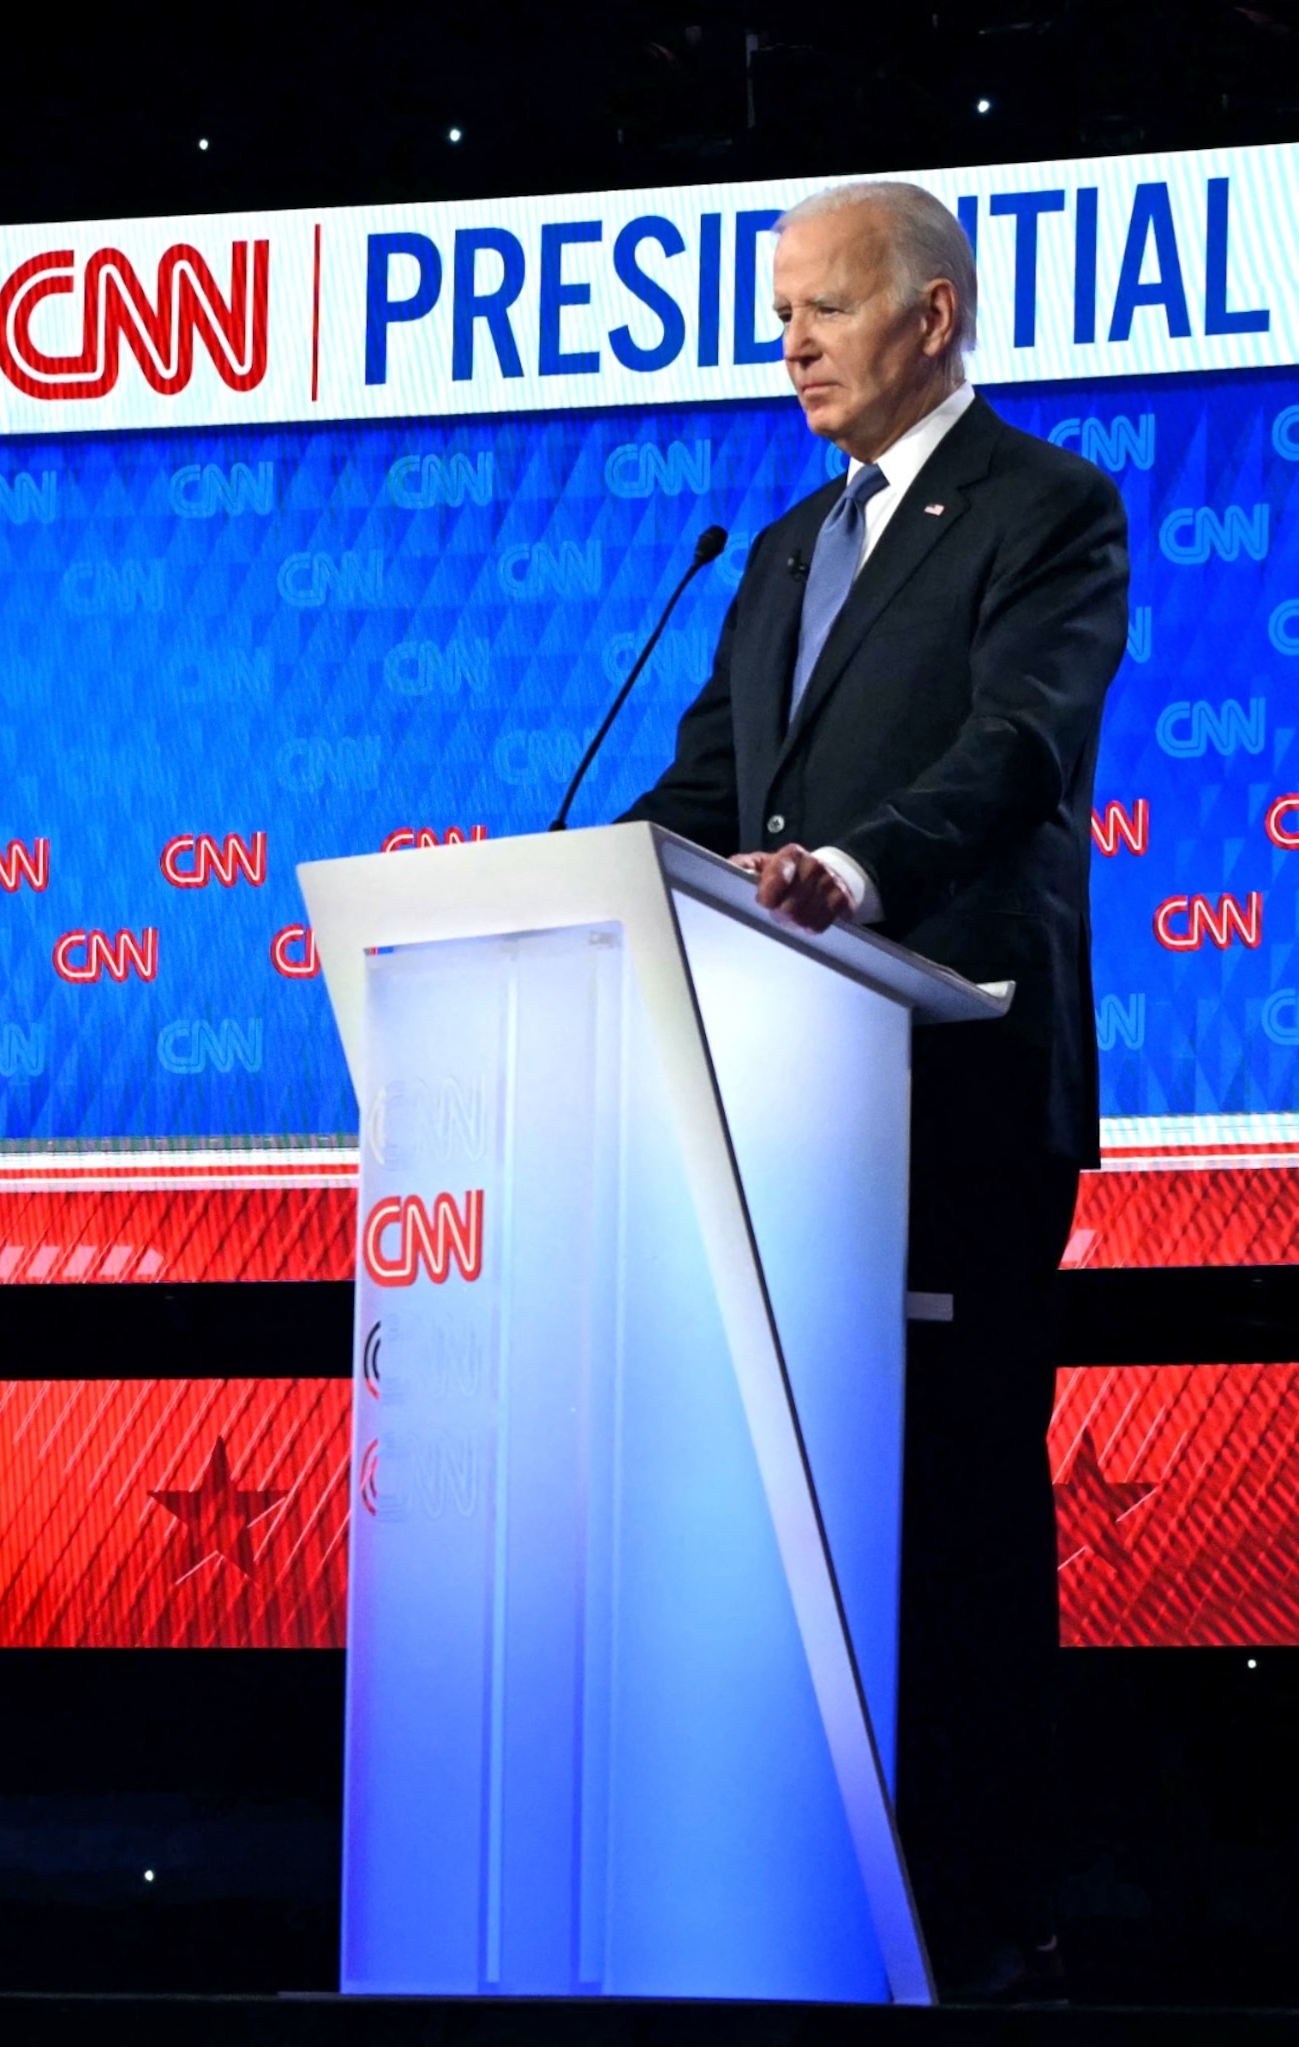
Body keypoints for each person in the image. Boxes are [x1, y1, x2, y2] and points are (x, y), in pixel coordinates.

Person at [619, 181, 1129, 2001]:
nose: (792, 348)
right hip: (783, 1111)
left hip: (960, 1086)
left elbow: (1017, 753)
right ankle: (807, 1886)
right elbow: (701, 792)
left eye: (822, 312)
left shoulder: (1048, 511)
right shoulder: (769, 551)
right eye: (779, 318)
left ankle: (989, 1913)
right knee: (802, 1504)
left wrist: (852, 868)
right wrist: (569, 888)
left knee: (957, 1501)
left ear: (931, 317)